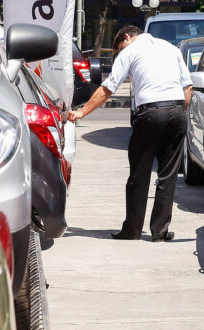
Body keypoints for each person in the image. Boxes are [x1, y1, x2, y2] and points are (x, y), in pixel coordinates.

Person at [68, 25, 192, 242]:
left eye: (119, 47)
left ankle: (132, 230)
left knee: (139, 173)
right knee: (168, 173)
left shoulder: (129, 52)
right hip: (177, 110)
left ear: (127, 37)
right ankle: (160, 232)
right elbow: (188, 88)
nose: (118, 52)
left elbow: (108, 88)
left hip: (150, 113)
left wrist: (82, 112)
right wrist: (180, 114)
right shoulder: (171, 48)